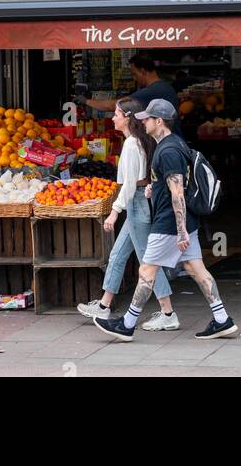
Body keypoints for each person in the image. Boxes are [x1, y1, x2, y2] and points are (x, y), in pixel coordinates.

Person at [93, 99, 239, 342]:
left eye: (147, 118)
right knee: (197, 269)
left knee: (147, 271)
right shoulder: (172, 144)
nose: (143, 122)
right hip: (180, 222)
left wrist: (180, 231)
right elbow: (169, 185)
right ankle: (222, 319)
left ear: (159, 122)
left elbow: (178, 192)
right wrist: (155, 188)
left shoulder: (169, 151)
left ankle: (127, 324)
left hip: (169, 223)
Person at [76, 97, 177, 329]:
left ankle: (168, 313)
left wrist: (114, 211)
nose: (113, 118)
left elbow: (130, 185)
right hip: (138, 202)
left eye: (117, 114)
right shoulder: (140, 141)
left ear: (128, 119)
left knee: (148, 262)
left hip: (136, 203)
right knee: (118, 255)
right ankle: (103, 306)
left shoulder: (132, 144)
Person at [85, 54, 179, 130]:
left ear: (143, 71)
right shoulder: (166, 87)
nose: (134, 78)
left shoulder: (151, 91)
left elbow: (115, 105)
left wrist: (86, 101)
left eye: (134, 74)